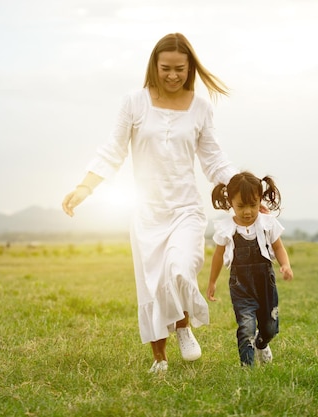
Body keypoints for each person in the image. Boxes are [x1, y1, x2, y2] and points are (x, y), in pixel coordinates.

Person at [61, 33, 238, 373]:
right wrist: (85, 187)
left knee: (181, 269)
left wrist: (246, 190)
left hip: (186, 209)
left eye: (180, 70)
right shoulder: (135, 102)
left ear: (191, 69)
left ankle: (184, 326)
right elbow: (113, 149)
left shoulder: (201, 108)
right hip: (148, 213)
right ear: (155, 66)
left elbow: (214, 160)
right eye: (166, 68)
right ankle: (159, 359)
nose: (173, 76)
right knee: (154, 284)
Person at [207, 171, 293, 367]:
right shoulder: (226, 228)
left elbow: (278, 247)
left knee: (270, 327)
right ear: (231, 204)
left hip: (265, 283)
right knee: (246, 326)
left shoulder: (267, 223)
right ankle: (247, 367)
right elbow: (218, 255)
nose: (247, 212)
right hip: (240, 285)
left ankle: (262, 344)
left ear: (260, 200)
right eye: (241, 206)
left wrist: (285, 265)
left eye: (253, 205)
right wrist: (212, 282)